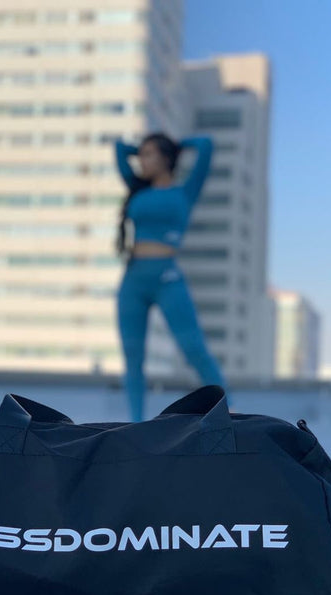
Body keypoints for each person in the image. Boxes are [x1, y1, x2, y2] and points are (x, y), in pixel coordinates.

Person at [113, 132, 233, 422]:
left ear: (167, 159)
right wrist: (139, 149)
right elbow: (119, 150)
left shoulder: (185, 191)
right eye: (140, 155)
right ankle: (136, 424)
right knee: (133, 357)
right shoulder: (138, 190)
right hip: (133, 280)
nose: (142, 160)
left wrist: (177, 145)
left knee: (193, 348)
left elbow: (206, 145)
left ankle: (227, 415)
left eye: (149, 154)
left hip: (167, 276)